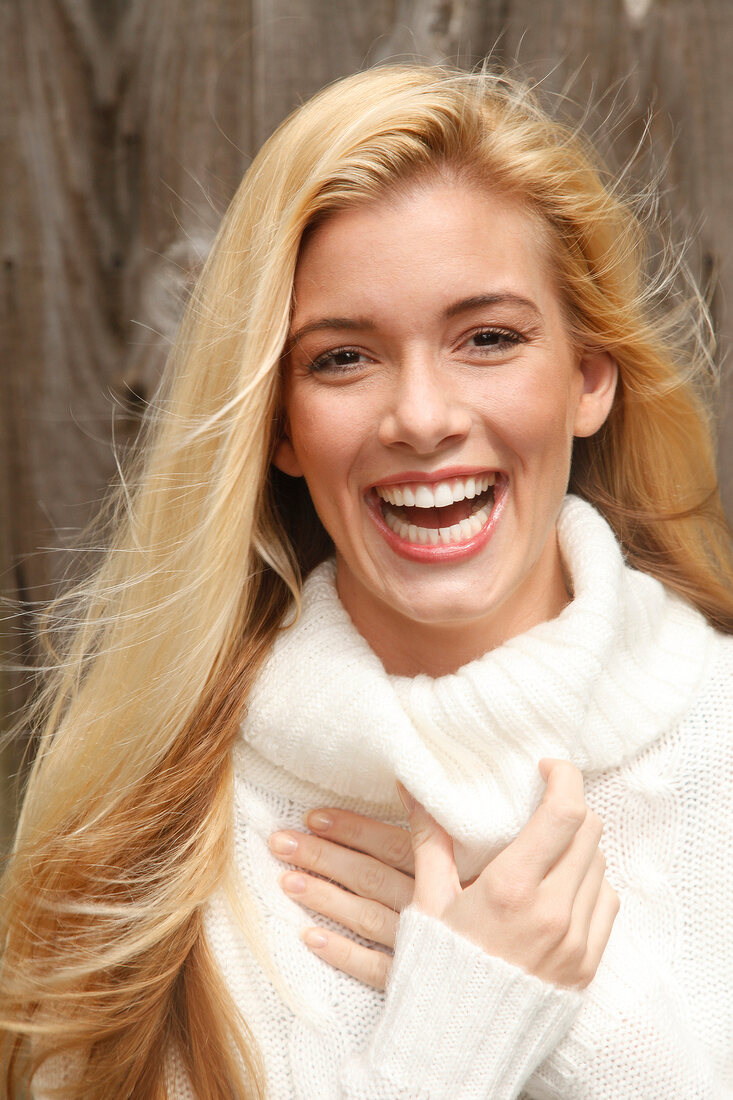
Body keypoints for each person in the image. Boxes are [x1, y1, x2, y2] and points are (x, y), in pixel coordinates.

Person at [1, 63, 732, 1100]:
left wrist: (592, 1027)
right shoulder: (144, 847)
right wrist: (444, 1049)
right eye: (343, 358)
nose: (422, 416)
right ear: (282, 427)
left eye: (488, 338)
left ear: (586, 376)